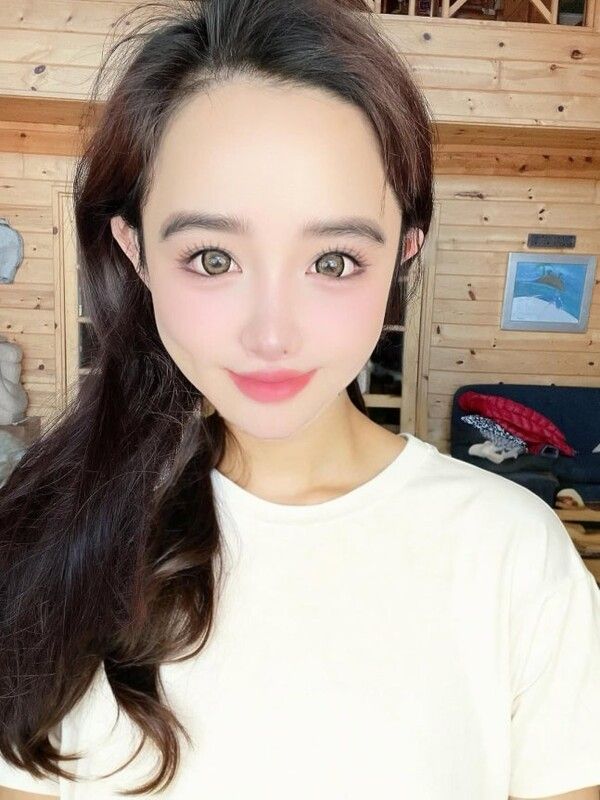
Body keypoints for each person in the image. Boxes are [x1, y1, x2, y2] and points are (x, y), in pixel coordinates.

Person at [1, 0, 599, 798]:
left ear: (402, 256)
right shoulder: (43, 537)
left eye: (334, 261)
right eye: (213, 258)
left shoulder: (512, 552)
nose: (272, 335)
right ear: (135, 251)